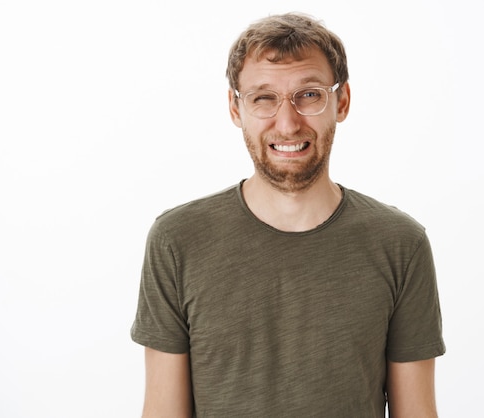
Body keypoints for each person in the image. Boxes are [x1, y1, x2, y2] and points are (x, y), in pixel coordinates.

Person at [131, 12, 445, 418]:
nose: (287, 122)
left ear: (342, 100)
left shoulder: (401, 244)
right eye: (263, 97)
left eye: (309, 94)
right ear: (235, 107)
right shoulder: (177, 241)